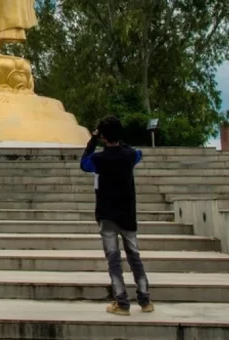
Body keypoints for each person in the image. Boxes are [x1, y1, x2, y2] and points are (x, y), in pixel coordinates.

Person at [80, 116, 154, 315]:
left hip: (107, 214)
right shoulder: (129, 156)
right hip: (128, 213)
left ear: (103, 136)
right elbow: (137, 153)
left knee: (113, 259)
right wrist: (120, 142)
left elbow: (84, 163)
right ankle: (145, 300)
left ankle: (122, 302)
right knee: (134, 256)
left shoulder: (98, 159)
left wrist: (93, 139)